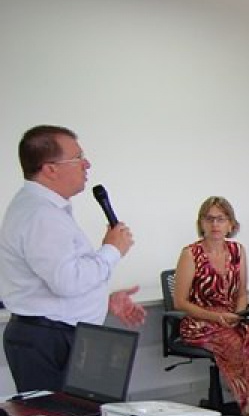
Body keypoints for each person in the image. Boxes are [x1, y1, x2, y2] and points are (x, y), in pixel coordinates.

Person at [0, 125, 145, 392]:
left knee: (79, 414)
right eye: (78, 158)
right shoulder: (41, 215)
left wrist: (102, 299)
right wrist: (111, 250)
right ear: (50, 169)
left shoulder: (43, 209)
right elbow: (67, 282)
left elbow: (61, 278)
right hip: (49, 340)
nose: (87, 164)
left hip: (53, 334)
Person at [173, 197, 249, 416]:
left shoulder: (237, 251)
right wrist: (216, 316)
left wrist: (238, 315)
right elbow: (180, 302)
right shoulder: (190, 254)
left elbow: (241, 293)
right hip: (200, 321)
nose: (215, 224)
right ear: (201, 223)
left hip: (230, 317)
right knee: (234, 342)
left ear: (231, 224)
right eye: (209, 218)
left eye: (221, 219)